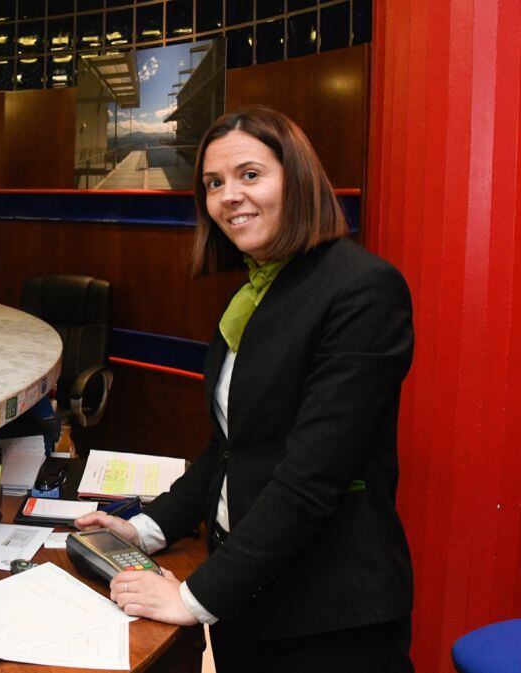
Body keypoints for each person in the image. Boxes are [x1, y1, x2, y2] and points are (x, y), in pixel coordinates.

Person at [76, 106, 414, 671]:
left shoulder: (363, 289)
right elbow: (231, 447)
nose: (229, 195)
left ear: (298, 180)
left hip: (328, 616)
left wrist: (193, 598)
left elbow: (311, 479)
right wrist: (146, 528)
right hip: (251, 599)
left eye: (250, 175)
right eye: (214, 183)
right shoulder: (256, 289)